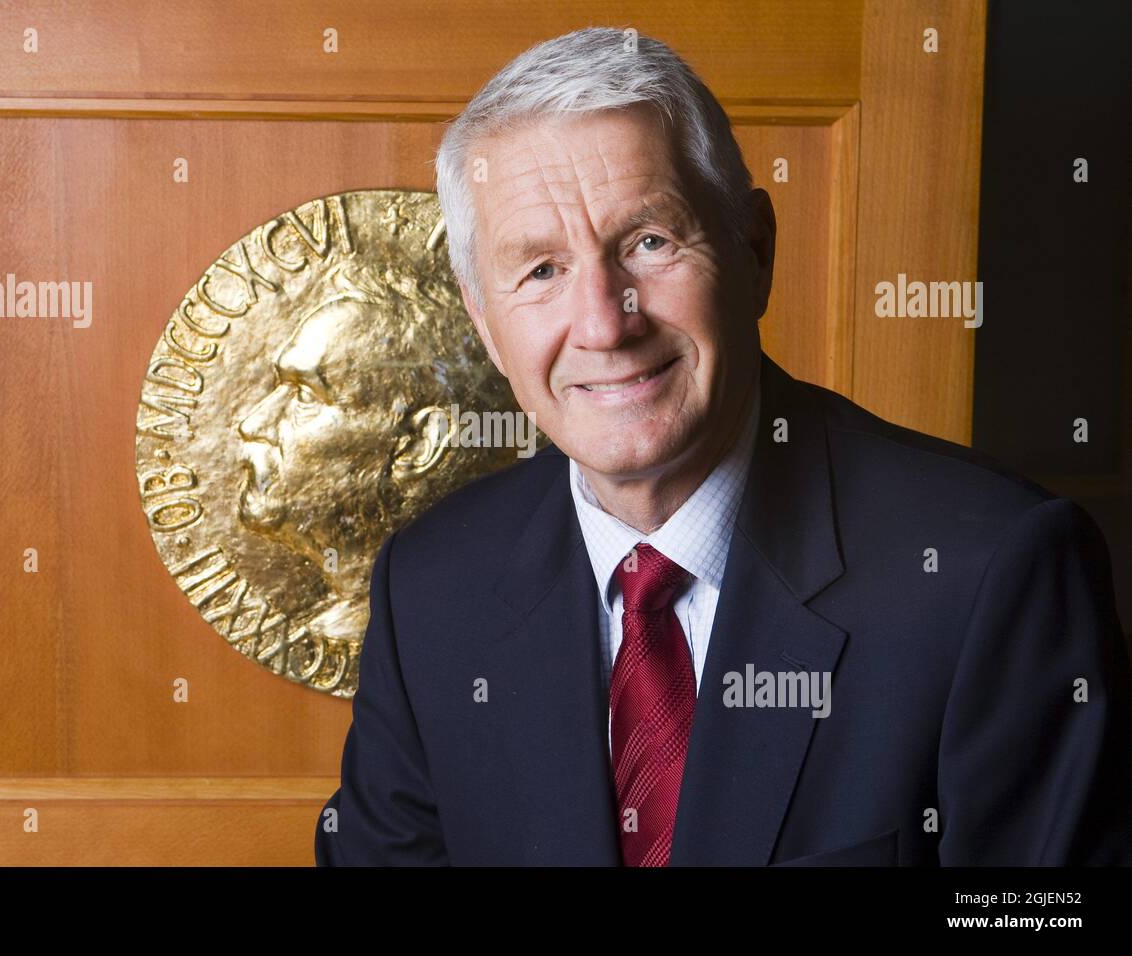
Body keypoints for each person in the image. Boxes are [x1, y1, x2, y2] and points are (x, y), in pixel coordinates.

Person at [314, 27, 1132, 865]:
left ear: (754, 251)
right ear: (485, 324)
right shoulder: (430, 588)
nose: (604, 323)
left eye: (650, 243)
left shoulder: (991, 569)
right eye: (541, 271)